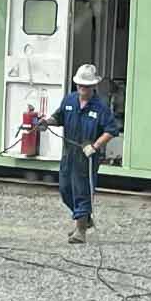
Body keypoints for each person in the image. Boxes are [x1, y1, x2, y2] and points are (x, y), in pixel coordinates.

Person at [50, 63, 121, 243]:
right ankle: (85, 219)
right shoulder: (69, 100)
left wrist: (95, 146)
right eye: (80, 85)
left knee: (82, 191)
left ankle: (80, 231)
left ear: (93, 86)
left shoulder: (100, 107)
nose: (83, 88)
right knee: (65, 189)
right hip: (69, 154)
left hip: (87, 157)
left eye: (87, 86)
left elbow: (111, 130)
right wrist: (46, 122)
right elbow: (58, 118)